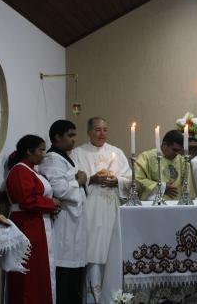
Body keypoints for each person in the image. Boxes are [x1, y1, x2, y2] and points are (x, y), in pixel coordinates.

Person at [70, 117, 131, 303]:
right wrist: (91, 179)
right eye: (97, 130)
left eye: (105, 129)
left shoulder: (117, 152)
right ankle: (92, 298)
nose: (102, 133)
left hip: (111, 207)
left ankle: (113, 296)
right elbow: (72, 180)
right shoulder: (78, 153)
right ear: (89, 132)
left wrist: (117, 181)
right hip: (91, 209)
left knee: (111, 249)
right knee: (93, 251)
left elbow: (128, 179)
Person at [6, 134, 61, 304]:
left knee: (39, 270)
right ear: (29, 152)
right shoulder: (20, 171)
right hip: (26, 226)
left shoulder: (30, 170)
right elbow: (27, 200)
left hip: (37, 224)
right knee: (28, 273)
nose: (44, 154)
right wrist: (51, 203)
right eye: (41, 150)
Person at [39, 120, 87, 304]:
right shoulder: (52, 159)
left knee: (74, 273)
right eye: (70, 135)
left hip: (73, 221)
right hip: (64, 223)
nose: (74, 140)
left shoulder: (65, 156)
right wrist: (79, 181)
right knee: (64, 273)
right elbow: (60, 189)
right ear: (57, 137)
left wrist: (79, 179)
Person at [135, 129, 195, 200]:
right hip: (154, 205)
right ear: (164, 144)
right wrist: (161, 187)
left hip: (177, 205)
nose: (177, 154)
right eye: (175, 150)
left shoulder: (182, 161)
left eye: (179, 150)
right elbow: (137, 179)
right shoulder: (146, 157)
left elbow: (188, 186)